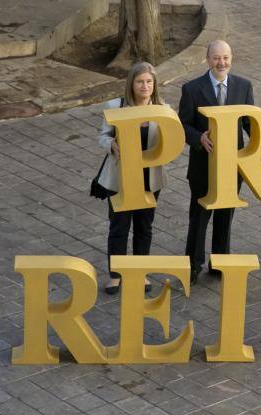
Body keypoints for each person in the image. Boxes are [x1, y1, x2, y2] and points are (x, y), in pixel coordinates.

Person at [179, 40, 254, 284]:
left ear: (231, 58)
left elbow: (249, 123)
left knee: (225, 216)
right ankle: (192, 265)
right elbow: (183, 125)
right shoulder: (191, 89)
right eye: (216, 58)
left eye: (225, 57)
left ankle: (220, 262)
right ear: (207, 59)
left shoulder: (244, 86)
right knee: (199, 217)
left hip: (233, 166)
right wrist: (198, 137)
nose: (221, 62)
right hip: (203, 165)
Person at [97, 62, 167, 294]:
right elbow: (102, 136)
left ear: (154, 84)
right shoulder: (115, 106)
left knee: (144, 226)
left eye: (149, 81)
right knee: (119, 226)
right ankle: (116, 275)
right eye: (140, 81)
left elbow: (171, 139)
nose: (145, 86)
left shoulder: (163, 109)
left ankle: (140, 272)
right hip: (120, 178)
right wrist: (111, 144)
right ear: (132, 84)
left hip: (150, 178)